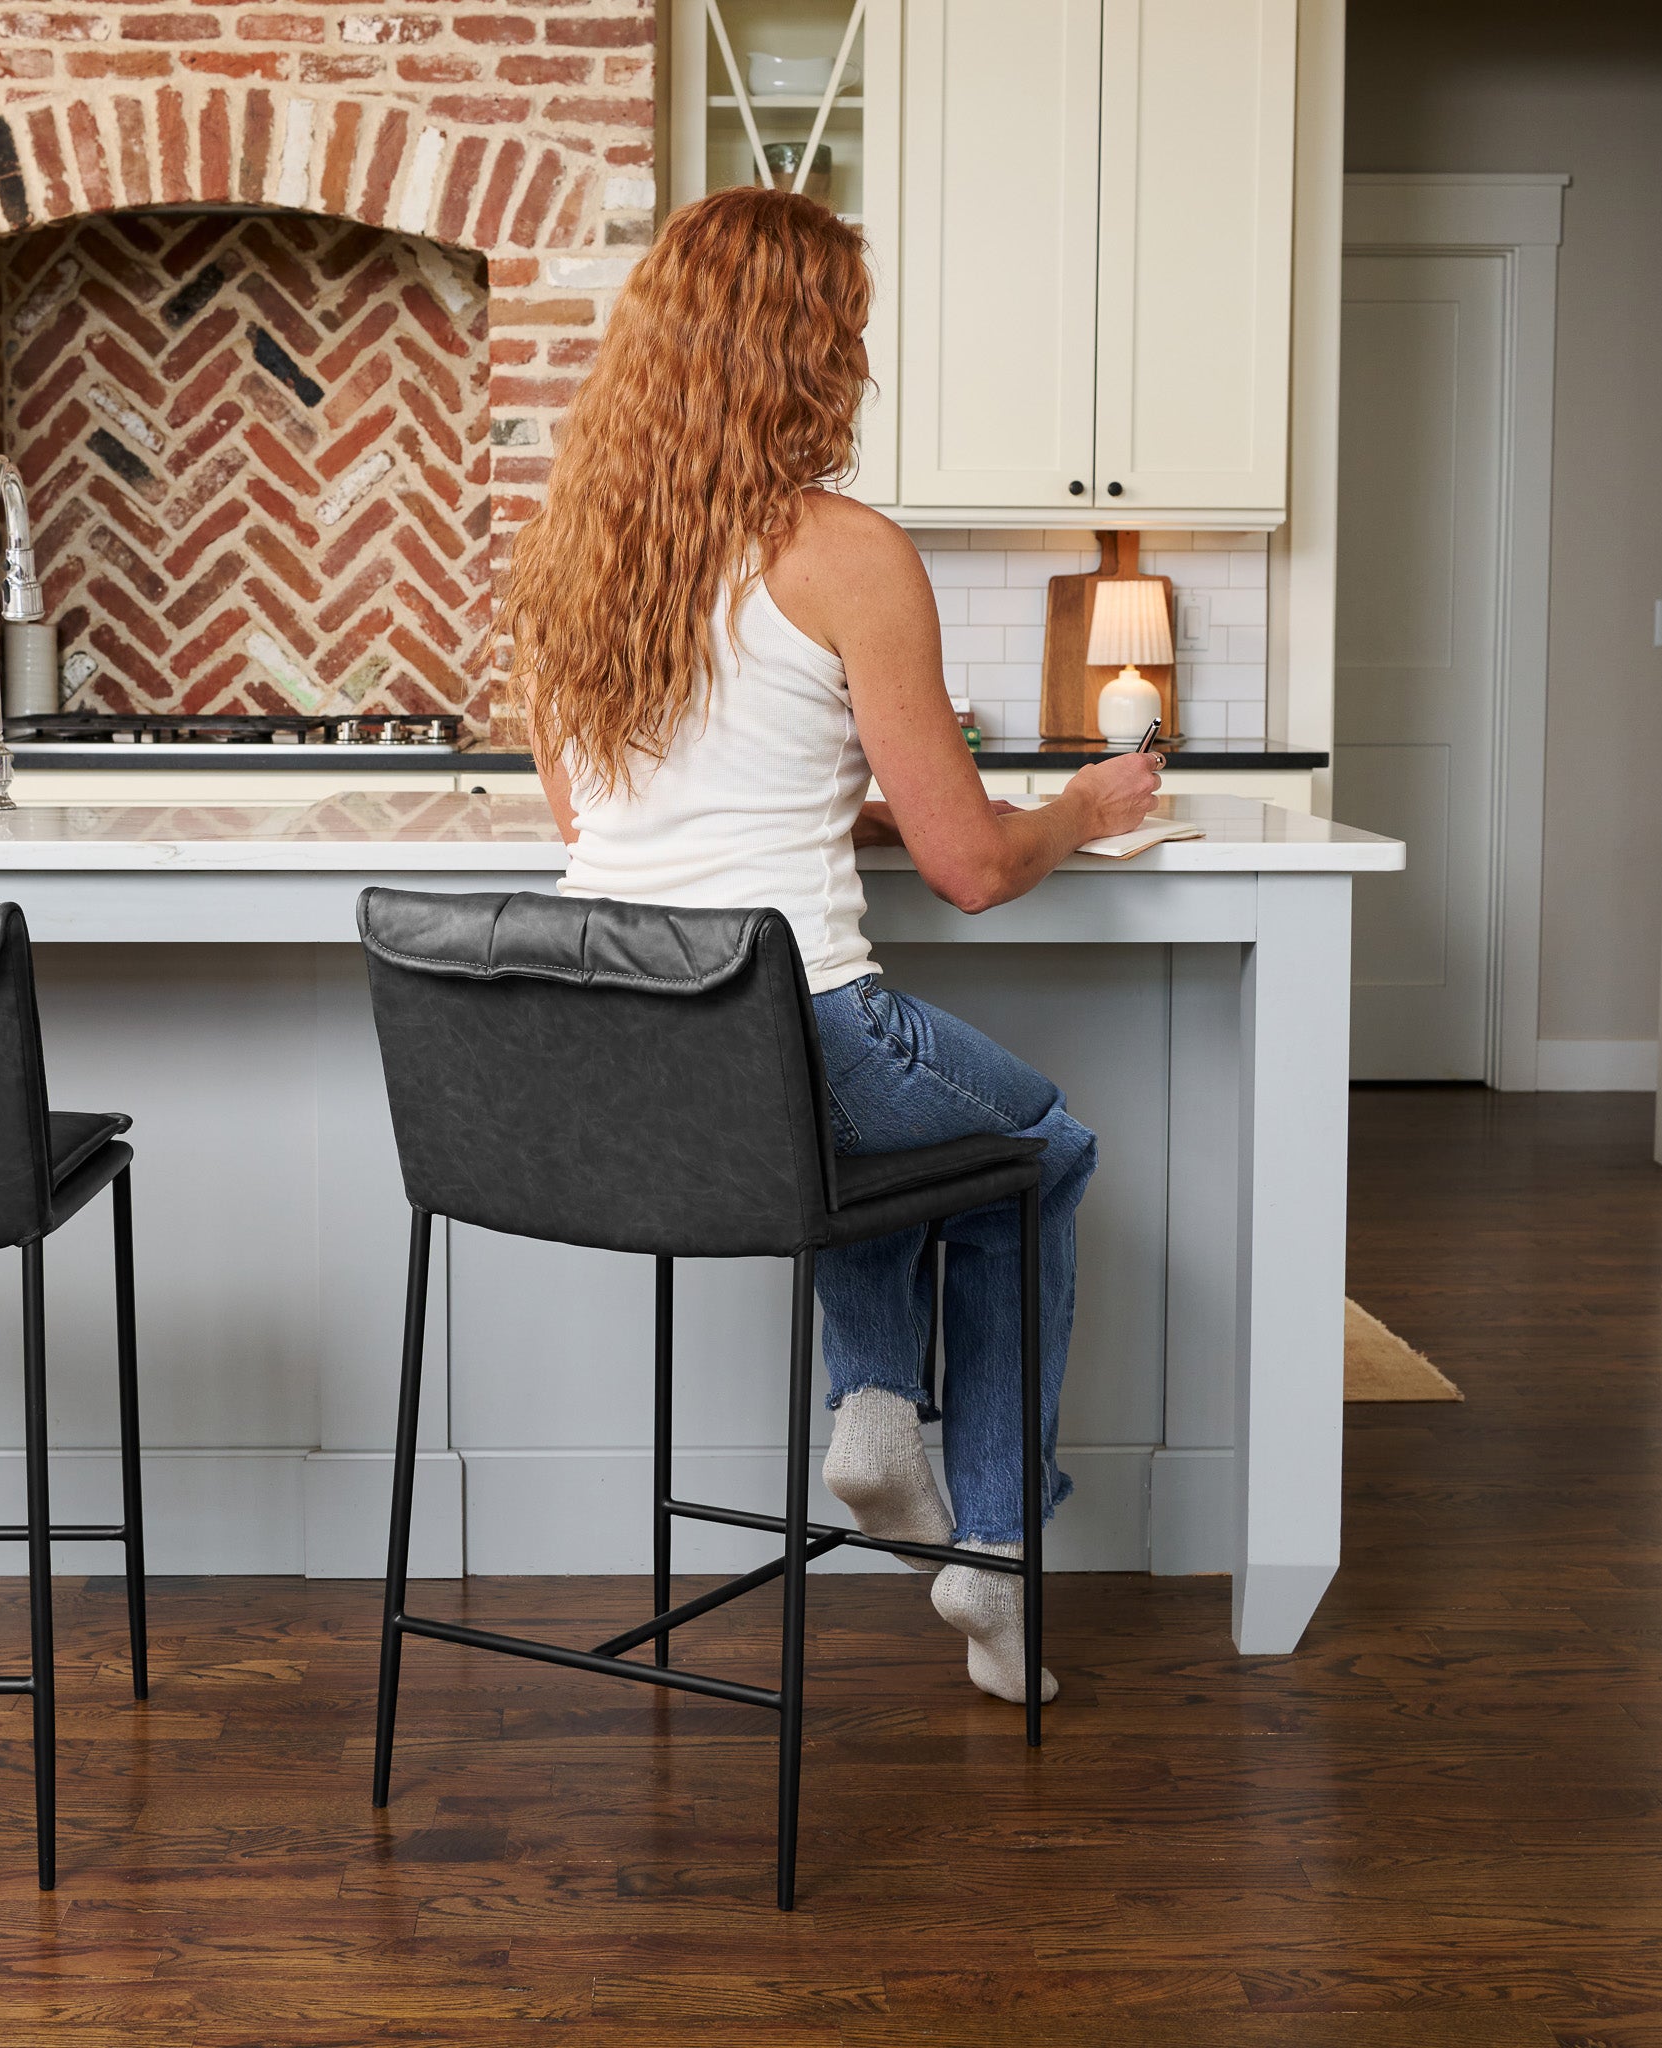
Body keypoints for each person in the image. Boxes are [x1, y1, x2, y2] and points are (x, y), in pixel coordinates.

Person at [504, 185, 1162, 1704]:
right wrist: (1080, 804)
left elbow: (597, 823)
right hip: (797, 1020)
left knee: (866, 1152)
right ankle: (985, 1548)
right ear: (803, 354)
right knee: (1037, 1148)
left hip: (618, 1045)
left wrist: (819, 805)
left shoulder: (569, 552)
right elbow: (975, 866)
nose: (861, 362)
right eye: (848, 334)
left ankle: (877, 1404)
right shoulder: (845, 550)